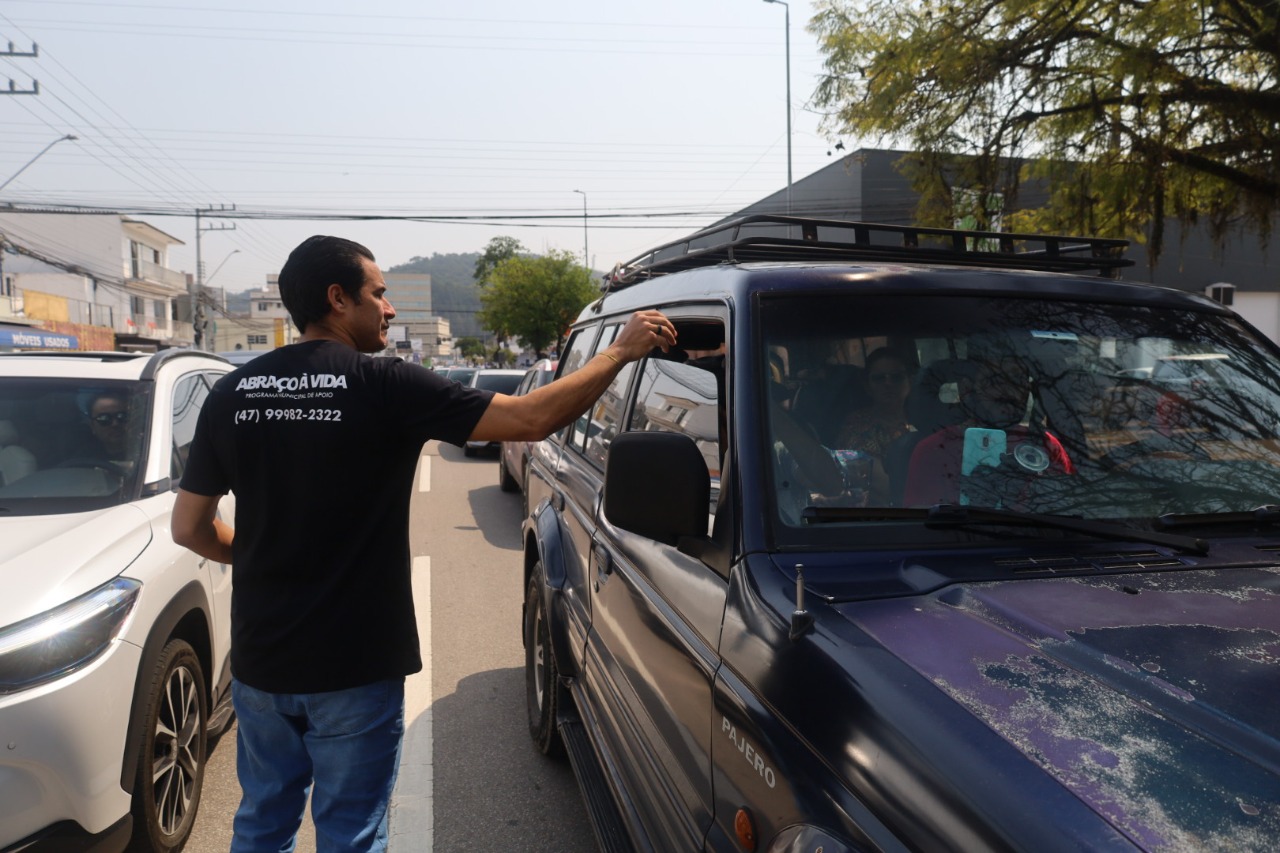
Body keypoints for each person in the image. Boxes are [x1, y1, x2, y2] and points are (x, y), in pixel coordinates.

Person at [170, 235, 675, 853]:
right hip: (355, 665)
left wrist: (253, 553)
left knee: (261, 824)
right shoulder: (384, 385)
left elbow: (190, 528)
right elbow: (528, 420)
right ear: (337, 299)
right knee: (350, 834)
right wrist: (620, 352)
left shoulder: (232, 395)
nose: (388, 309)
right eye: (378, 294)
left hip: (260, 666)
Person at [902, 354, 1072, 507]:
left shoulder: (1046, 447)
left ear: (1029, 388)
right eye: (994, 380)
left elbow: (1069, 514)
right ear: (967, 389)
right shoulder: (933, 451)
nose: (1007, 389)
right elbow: (923, 528)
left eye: (1016, 378)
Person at [836, 347, 914, 458]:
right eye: (879, 378)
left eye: (896, 377)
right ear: (867, 385)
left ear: (910, 382)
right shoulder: (857, 428)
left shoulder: (924, 419)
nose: (888, 383)